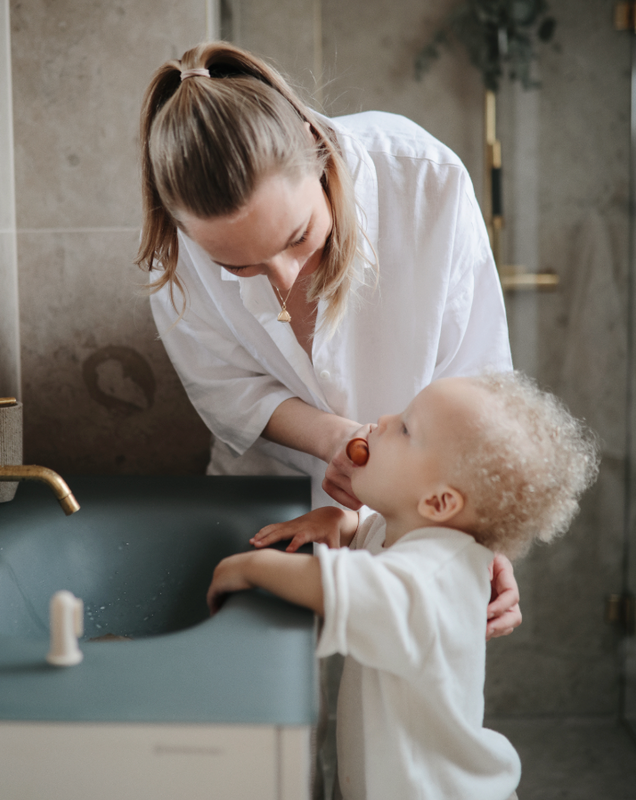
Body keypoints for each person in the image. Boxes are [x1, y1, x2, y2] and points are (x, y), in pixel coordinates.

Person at [137, 41, 521, 638]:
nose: (285, 281)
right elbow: (226, 388)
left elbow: (480, 386)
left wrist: (477, 532)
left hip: (421, 514)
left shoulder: (425, 183)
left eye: (298, 237)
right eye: (238, 267)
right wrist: (333, 440)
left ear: (318, 155)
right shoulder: (176, 252)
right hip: (264, 501)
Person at [207, 371, 600, 800]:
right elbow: (372, 533)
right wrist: (340, 519)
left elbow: (344, 587)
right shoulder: (410, 532)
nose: (382, 419)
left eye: (406, 428)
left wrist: (249, 567)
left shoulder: (435, 578)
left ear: (438, 502)